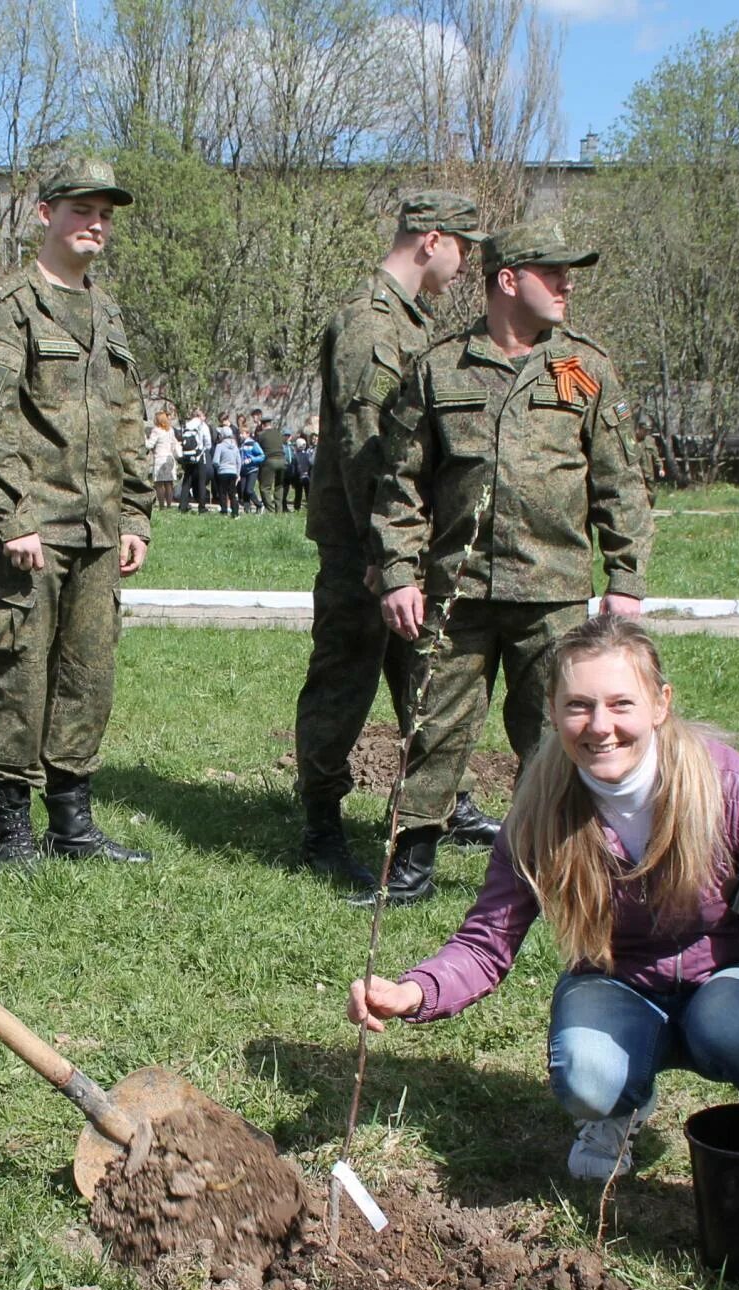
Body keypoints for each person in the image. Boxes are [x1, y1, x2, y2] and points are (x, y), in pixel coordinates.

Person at [348, 616, 739, 1204]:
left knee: (732, 1025)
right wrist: (413, 992)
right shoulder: (538, 808)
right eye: (578, 706)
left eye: (620, 703)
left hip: (729, 979)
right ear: (552, 709)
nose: (600, 727)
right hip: (616, 980)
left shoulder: (738, 794)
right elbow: (486, 941)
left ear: (660, 703)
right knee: (588, 1075)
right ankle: (623, 1103)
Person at [370, 219, 652, 905]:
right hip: (457, 588)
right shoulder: (440, 369)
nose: (567, 284)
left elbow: (618, 479)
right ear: (507, 279)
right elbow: (400, 482)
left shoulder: (578, 366)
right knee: (433, 724)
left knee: (558, 733)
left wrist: (627, 580)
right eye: (552, 271)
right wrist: (401, 571)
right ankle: (410, 868)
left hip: (552, 590)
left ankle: (559, 870)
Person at [291, 191, 494, 891]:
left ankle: (444, 800)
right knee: (343, 680)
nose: (464, 264)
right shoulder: (371, 325)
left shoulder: (408, 322)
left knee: (425, 677)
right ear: (430, 239)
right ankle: (321, 823)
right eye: (462, 247)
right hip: (364, 548)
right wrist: (383, 557)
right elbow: (362, 449)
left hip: (400, 543)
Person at [0, 157, 154, 864]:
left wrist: (135, 515)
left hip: (100, 528)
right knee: (20, 672)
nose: (95, 224)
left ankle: (72, 824)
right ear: (45, 214)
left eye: (104, 213)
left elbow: (128, 420)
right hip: (35, 529)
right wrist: (13, 519)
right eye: (80, 210)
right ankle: (12, 829)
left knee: (88, 676)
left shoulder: (108, 313)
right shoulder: (6, 307)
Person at [146, 409, 181, 509]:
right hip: (170, 459)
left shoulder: (156, 430)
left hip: (160, 459)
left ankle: (162, 505)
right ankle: (169, 505)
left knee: (159, 484)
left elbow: (149, 445)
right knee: (169, 484)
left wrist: (144, 438)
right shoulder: (170, 430)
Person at [256, 412, 286, 511]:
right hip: (282, 460)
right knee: (279, 486)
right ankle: (279, 510)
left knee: (265, 487)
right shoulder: (278, 433)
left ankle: (270, 509)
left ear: (262, 424)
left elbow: (258, 450)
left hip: (270, 461)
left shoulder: (261, 435)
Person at [211, 425, 240, 514]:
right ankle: (235, 512)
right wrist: (237, 473)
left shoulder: (220, 446)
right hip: (233, 472)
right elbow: (238, 461)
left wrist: (218, 468)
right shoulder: (235, 446)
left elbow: (215, 461)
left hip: (223, 471)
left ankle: (224, 510)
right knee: (232, 492)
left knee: (222, 492)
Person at [286, 432, 312, 515]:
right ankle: (310, 506)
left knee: (298, 493)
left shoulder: (295, 456)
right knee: (308, 493)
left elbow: (293, 469)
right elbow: (311, 465)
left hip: (298, 478)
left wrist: (292, 480)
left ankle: (297, 507)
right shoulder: (308, 455)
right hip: (307, 477)